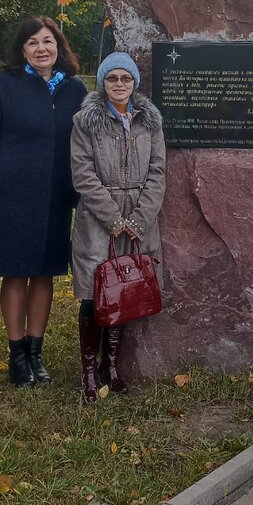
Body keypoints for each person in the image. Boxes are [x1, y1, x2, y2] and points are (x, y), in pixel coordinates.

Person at [0, 16, 87, 387]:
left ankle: (36, 351)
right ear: (23, 50)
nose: (41, 48)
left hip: (55, 197)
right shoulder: (5, 85)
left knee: (45, 274)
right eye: (32, 42)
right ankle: (16, 354)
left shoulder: (75, 90)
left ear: (59, 47)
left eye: (48, 41)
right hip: (12, 194)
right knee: (17, 274)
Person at [69, 52, 167, 400]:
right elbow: (82, 174)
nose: (120, 85)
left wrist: (139, 219)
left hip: (139, 219)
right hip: (99, 220)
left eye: (126, 79)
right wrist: (112, 217)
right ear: (103, 82)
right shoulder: (85, 121)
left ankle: (111, 366)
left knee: (126, 291)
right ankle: (88, 372)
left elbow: (157, 172)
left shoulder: (150, 122)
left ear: (135, 83)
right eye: (113, 79)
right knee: (93, 293)